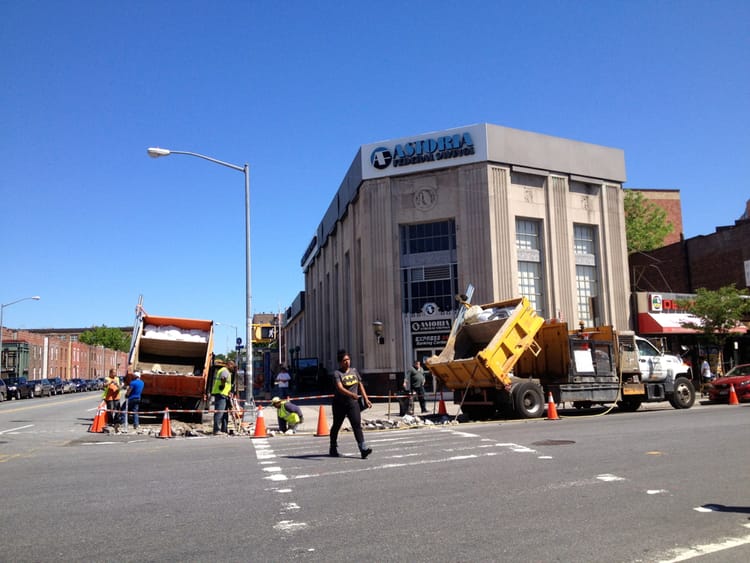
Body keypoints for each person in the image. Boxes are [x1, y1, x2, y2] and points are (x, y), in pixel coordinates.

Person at [329, 349, 372, 459]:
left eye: (348, 359)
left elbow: (360, 385)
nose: (347, 362)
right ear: (340, 362)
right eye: (344, 360)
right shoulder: (337, 374)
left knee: (357, 425)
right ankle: (333, 447)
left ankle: (363, 449)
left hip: (353, 404)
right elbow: (340, 388)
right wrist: (351, 394)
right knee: (336, 426)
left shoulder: (354, 371)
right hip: (339, 404)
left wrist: (366, 399)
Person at [212, 360, 234, 435]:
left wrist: (229, 391)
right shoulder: (225, 371)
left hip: (224, 394)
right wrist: (222, 385)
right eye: (232, 366)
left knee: (225, 413)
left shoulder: (226, 371)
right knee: (219, 412)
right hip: (221, 394)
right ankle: (216, 430)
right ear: (229, 365)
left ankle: (224, 429)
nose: (233, 368)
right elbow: (223, 378)